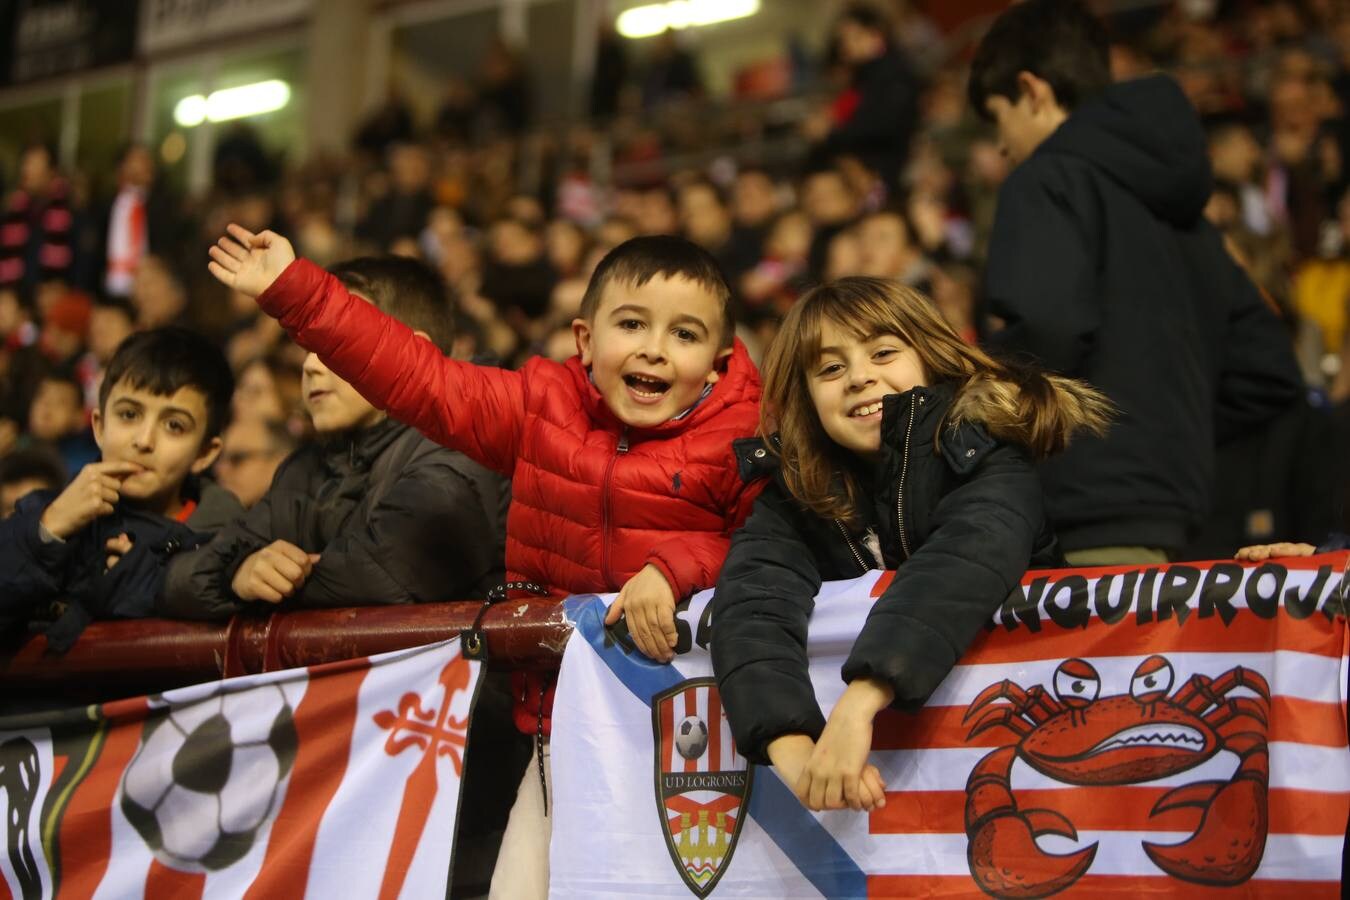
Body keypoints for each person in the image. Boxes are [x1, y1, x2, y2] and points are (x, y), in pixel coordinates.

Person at [207, 227, 763, 900]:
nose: (653, 346)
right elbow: (417, 377)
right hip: (563, 736)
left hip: (700, 750)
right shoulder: (539, 411)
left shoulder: (745, 439)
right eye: (632, 323)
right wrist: (293, 289)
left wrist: (674, 567)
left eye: (683, 334)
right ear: (584, 341)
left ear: (717, 361)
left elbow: (775, 547)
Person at [712, 277, 1109, 813]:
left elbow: (960, 564)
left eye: (882, 352)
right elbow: (752, 606)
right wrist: (795, 752)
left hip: (1039, 752)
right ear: (805, 399)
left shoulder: (989, 451)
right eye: (830, 368)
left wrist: (858, 707)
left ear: (930, 356)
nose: (859, 377)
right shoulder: (794, 496)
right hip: (901, 792)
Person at [969, 0, 1303, 565]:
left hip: (1082, 518)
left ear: (1032, 90)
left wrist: (972, 400)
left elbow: (1047, 327)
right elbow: (1268, 372)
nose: (1001, 146)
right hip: (1190, 520)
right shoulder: (1188, 221)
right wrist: (1168, 432)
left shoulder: (1046, 179)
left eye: (998, 117)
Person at [161, 255, 508, 617]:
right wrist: (236, 575)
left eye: (337, 345)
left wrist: (263, 587)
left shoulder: (466, 446)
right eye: (310, 346)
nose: (310, 365)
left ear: (413, 351)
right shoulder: (307, 467)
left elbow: (383, 576)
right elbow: (178, 581)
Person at [0, 328, 241, 648]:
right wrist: (48, 530)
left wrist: (135, 574)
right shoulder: (44, 512)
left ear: (204, 454)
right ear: (99, 427)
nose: (143, 441)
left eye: (174, 425)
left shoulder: (228, 540)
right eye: (129, 414)